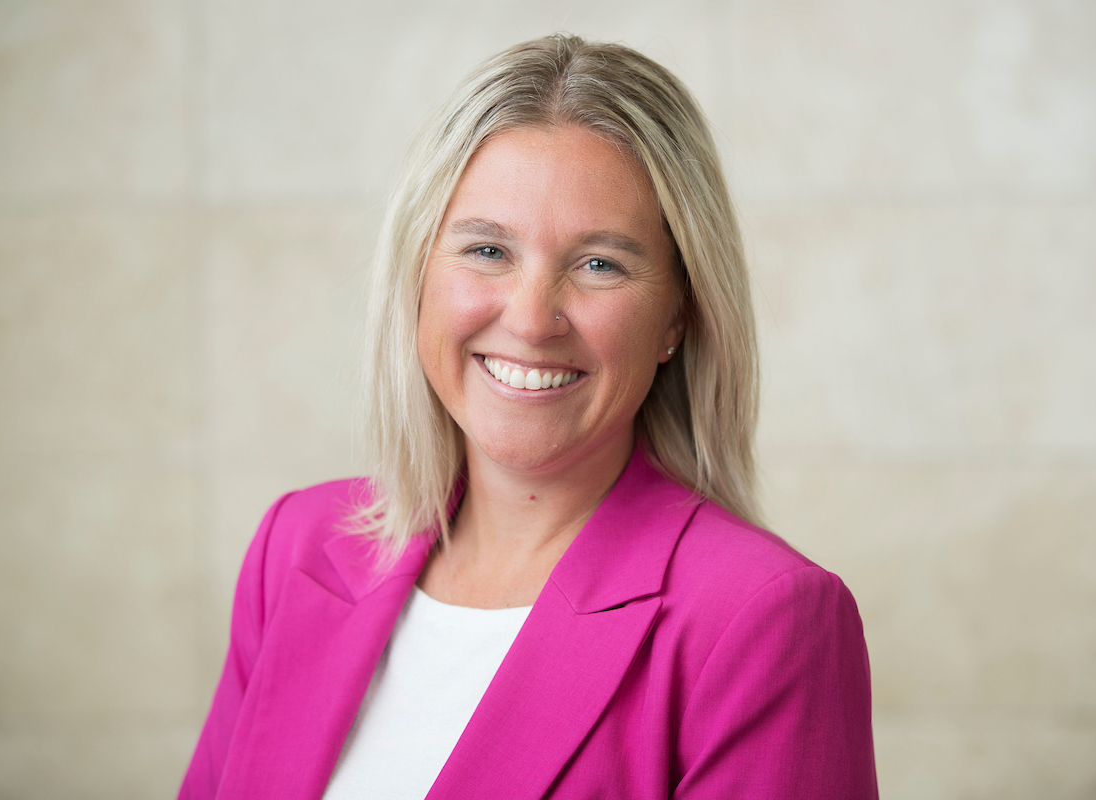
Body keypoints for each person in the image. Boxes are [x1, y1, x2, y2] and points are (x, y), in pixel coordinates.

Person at [179, 34, 878, 800]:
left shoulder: (760, 621)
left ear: (677, 316)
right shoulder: (299, 550)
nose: (532, 317)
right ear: (418, 273)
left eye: (599, 264)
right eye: (487, 251)